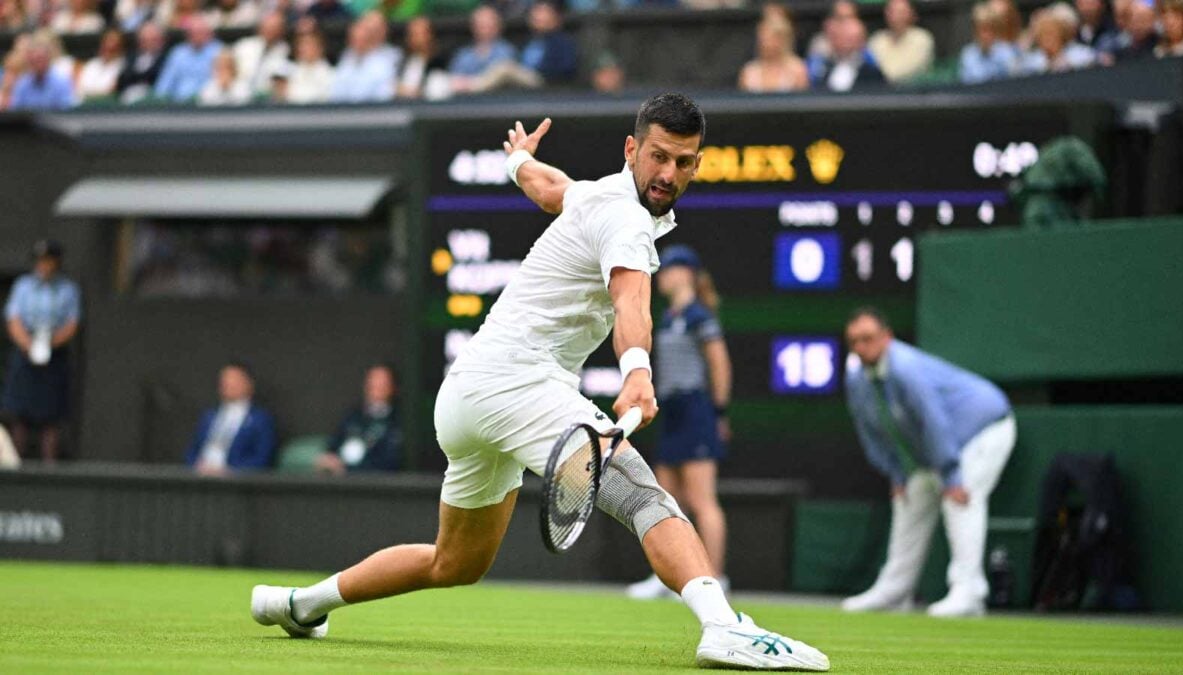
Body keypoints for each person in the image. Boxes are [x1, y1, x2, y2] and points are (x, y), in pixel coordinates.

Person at [249, 93, 830, 672]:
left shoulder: (596, 194)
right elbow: (631, 301)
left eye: (682, 162)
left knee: (454, 562)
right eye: (657, 157)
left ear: (697, 166)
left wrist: (516, 162)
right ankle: (724, 627)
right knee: (642, 493)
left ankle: (300, 605)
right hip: (516, 380)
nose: (667, 173)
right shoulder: (626, 220)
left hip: (466, 395)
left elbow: (548, 188)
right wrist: (637, 372)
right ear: (632, 150)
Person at [840, 308, 1015, 618]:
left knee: (960, 498)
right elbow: (872, 431)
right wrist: (896, 472)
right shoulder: (856, 379)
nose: (860, 347)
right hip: (939, 446)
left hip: (985, 428)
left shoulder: (906, 368)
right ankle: (894, 591)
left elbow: (933, 422)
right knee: (911, 496)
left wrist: (951, 474)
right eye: (854, 341)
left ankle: (970, 591)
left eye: (868, 339)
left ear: (887, 338)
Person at [625, 245, 733, 601]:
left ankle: (715, 578)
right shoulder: (670, 317)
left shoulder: (700, 316)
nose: (663, 277)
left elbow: (719, 365)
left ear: (685, 273)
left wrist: (719, 413)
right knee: (666, 501)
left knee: (702, 501)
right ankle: (669, 576)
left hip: (697, 411)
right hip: (671, 412)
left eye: (669, 270)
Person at [1, 240, 81, 464]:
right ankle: (15, 468)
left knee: (51, 419)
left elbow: (72, 324)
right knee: (19, 416)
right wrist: (29, 345)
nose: (43, 266)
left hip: (53, 353)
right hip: (26, 351)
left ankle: (49, 470)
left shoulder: (67, 289)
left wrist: (47, 345)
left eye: (48, 261)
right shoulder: (23, 286)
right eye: (40, 261)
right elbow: (13, 319)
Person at [185, 362, 277, 476]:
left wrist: (230, 471)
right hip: (200, 478)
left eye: (235, 380)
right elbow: (192, 451)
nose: (229, 384)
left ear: (249, 384)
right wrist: (196, 466)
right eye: (225, 380)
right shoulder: (209, 416)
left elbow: (262, 458)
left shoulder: (260, 420)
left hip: (235, 483)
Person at [315, 364, 402, 474]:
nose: (376, 386)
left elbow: (389, 463)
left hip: (372, 483)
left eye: (382, 383)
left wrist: (347, 469)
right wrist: (328, 460)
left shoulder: (396, 421)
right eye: (372, 382)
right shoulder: (353, 415)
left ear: (392, 387)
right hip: (338, 481)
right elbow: (333, 445)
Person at [328, 12, 397, 102]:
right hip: (344, 111)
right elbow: (336, 90)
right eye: (354, 39)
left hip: (372, 111)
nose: (357, 43)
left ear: (369, 40)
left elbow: (384, 95)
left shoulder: (383, 64)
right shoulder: (346, 59)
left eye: (361, 39)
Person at [154, 16, 224, 103]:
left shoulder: (219, 51)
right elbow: (166, 81)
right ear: (187, 35)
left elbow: (221, 80)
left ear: (210, 34)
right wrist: (160, 99)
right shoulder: (178, 52)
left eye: (201, 32)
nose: (196, 36)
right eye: (193, 33)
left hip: (208, 103)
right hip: (177, 104)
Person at [448, 4, 516, 93]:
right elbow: (454, 79)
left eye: (489, 24)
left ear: (498, 27)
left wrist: (470, 83)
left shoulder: (506, 50)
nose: (484, 29)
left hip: (498, 101)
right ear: (473, 27)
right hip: (467, 101)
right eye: (480, 25)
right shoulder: (464, 54)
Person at [812, 15, 885, 91]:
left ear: (862, 42)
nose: (844, 43)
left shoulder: (872, 73)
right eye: (840, 36)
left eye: (850, 39)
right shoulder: (824, 68)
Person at [868, 0, 935, 83]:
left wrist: (880, 76)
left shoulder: (922, 38)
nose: (896, 16)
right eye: (892, 11)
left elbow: (910, 70)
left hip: (914, 92)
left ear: (911, 14)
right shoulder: (877, 39)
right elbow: (869, 66)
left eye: (901, 12)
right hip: (880, 92)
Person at [738, 16, 809, 92]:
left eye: (769, 39)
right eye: (762, 39)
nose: (764, 44)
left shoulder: (797, 69)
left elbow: (802, 100)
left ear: (783, 40)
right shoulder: (749, 71)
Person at [1019, 4, 1096, 74]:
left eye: (1052, 34)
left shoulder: (1081, 55)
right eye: (1042, 35)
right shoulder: (1033, 62)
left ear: (1062, 35)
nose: (1047, 39)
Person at [7, 37, 75, 110]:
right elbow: (15, 111)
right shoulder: (22, 82)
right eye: (33, 60)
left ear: (48, 59)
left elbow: (67, 111)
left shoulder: (62, 81)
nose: (37, 64)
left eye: (40, 60)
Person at [233, 11, 291, 97]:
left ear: (281, 31)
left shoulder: (286, 50)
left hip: (267, 99)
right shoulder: (244, 45)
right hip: (239, 95)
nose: (270, 31)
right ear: (260, 28)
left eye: (274, 28)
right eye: (267, 27)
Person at [518, 1, 577, 86]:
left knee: (505, 68)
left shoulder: (563, 42)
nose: (538, 16)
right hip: (522, 83)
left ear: (555, 17)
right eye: (536, 12)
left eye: (543, 12)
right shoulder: (527, 40)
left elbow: (567, 68)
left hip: (546, 83)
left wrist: (543, 73)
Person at [959, 1, 1019, 83]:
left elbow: (1014, 82)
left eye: (990, 29)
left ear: (996, 30)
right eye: (982, 29)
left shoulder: (1007, 53)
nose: (985, 35)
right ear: (975, 31)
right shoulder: (968, 55)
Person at [395, 15, 450, 99]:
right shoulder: (402, 62)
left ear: (430, 35)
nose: (414, 38)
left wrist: (417, 92)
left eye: (418, 34)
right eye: (411, 34)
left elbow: (437, 92)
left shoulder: (440, 63)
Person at [115, 21, 167, 104]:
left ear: (161, 41)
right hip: (126, 96)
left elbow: (160, 80)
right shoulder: (131, 57)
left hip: (151, 99)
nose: (148, 43)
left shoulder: (166, 59)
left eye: (153, 40)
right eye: (144, 40)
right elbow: (122, 78)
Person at [75, 28, 125, 101]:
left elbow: (111, 91)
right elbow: (78, 88)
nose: (109, 45)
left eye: (113, 43)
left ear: (120, 47)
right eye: (106, 42)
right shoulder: (92, 64)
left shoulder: (123, 66)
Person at [285, 30, 334, 103]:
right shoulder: (291, 71)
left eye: (308, 44)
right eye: (300, 45)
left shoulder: (329, 74)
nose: (302, 49)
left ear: (320, 48)